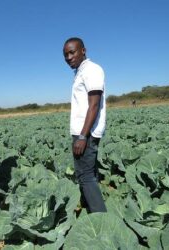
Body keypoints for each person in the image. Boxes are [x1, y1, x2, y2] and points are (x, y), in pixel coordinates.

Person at [63, 37, 107, 213]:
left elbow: (94, 105)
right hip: (83, 132)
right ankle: (92, 210)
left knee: (86, 176)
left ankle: (100, 219)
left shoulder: (92, 70)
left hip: (85, 133)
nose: (68, 57)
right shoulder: (81, 72)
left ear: (83, 50)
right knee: (89, 174)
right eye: (65, 54)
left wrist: (82, 136)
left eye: (72, 52)